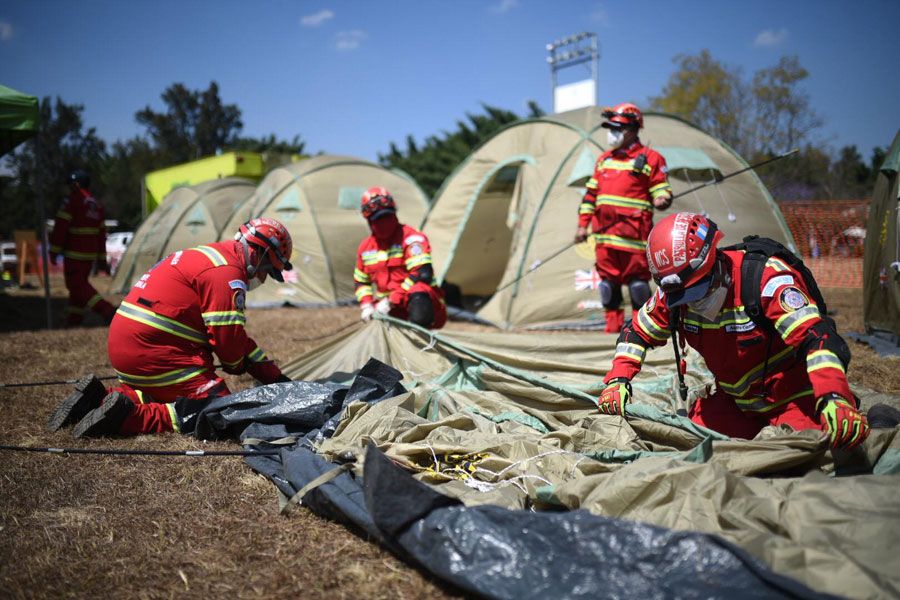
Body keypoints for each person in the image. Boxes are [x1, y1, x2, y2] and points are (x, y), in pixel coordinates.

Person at [597, 212, 870, 450]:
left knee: (814, 449)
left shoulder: (766, 279)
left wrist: (833, 395)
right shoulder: (675, 295)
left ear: (715, 262)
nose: (693, 302)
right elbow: (636, 332)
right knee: (691, 444)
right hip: (735, 402)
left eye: (698, 291)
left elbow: (817, 338)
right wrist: (618, 380)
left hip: (793, 399)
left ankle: (870, 416)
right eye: (684, 297)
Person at [47, 217, 294, 438]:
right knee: (218, 408)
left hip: (127, 345)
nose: (262, 279)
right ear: (258, 255)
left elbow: (236, 338)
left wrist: (275, 377)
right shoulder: (228, 273)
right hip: (156, 349)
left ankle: (98, 399)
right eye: (267, 272)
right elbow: (228, 342)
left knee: (165, 394)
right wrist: (237, 364)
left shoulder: (207, 255)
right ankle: (127, 418)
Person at [575, 103, 673, 334]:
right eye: (610, 127)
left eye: (617, 128)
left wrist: (662, 198)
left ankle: (642, 334)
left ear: (633, 129)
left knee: (639, 288)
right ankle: (611, 334)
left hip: (635, 240)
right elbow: (590, 196)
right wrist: (582, 226)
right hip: (605, 239)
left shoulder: (651, 158)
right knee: (608, 288)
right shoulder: (603, 160)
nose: (612, 133)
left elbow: (661, 188)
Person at [354, 186, 446, 329]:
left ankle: (422, 338)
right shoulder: (365, 248)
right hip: (389, 311)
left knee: (418, 290)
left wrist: (392, 300)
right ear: (370, 221)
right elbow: (361, 281)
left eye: (388, 216)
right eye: (379, 219)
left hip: (423, 307)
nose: (384, 222)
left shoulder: (412, 239)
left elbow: (422, 273)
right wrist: (366, 305)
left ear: (394, 214)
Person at [49, 170, 117, 326]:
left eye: (71, 184)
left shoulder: (72, 200)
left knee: (77, 285)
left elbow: (61, 228)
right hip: (90, 255)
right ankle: (74, 320)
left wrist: (53, 250)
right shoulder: (97, 205)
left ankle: (106, 310)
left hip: (74, 253)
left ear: (77, 184)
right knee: (77, 287)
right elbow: (101, 235)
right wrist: (101, 260)